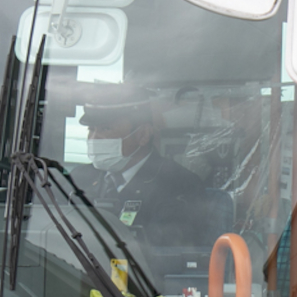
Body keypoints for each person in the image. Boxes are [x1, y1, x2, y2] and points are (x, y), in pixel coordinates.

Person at [78, 91, 217, 257]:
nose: (93, 139)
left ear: (142, 135)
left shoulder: (179, 185)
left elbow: (172, 253)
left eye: (105, 129)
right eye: (91, 130)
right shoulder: (79, 178)